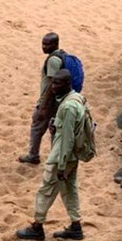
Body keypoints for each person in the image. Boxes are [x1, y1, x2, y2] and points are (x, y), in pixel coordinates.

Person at [16, 68, 87, 241]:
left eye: (57, 83)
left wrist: (61, 165)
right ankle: (76, 226)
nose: (53, 86)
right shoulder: (76, 99)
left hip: (62, 156)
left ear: (67, 84)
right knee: (70, 188)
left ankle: (37, 226)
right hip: (72, 156)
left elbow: (67, 139)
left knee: (46, 190)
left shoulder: (68, 106)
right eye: (53, 82)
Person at [19, 32, 82, 165]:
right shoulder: (62, 55)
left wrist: (43, 105)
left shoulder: (53, 60)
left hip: (50, 102)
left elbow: (52, 85)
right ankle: (56, 158)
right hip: (59, 101)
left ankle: (34, 155)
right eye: (43, 43)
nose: (44, 47)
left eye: (47, 44)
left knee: (38, 125)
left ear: (55, 44)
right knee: (55, 128)